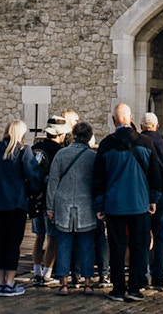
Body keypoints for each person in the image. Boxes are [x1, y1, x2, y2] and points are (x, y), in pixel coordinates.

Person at [92, 103, 163, 302]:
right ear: (131, 117)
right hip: (139, 204)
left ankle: (118, 288)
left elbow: (98, 179)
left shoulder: (107, 144)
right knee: (138, 247)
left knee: (116, 248)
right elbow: (155, 176)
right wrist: (153, 200)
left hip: (114, 205)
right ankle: (135, 287)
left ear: (113, 120)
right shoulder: (145, 143)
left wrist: (99, 205)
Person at [0, 119, 41, 297]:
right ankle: (9, 282)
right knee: (13, 243)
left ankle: (1, 281)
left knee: (1, 243)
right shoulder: (23, 151)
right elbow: (32, 175)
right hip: (16, 202)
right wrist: (36, 190)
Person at [46, 121, 97, 295]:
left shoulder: (61, 154)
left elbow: (53, 182)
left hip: (63, 202)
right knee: (86, 245)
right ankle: (88, 282)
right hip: (86, 203)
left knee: (64, 244)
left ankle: (64, 283)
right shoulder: (92, 156)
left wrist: (49, 207)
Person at [140, 112, 163, 289]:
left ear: (141, 126)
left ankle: (144, 274)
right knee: (161, 237)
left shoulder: (139, 144)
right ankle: (159, 276)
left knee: (143, 236)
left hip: (142, 194)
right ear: (157, 125)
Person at [29, 116, 67, 287]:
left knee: (39, 236)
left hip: (35, 197)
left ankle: (36, 271)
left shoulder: (35, 148)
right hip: (51, 199)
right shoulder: (60, 151)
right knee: (52, 238)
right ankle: (47, 273)